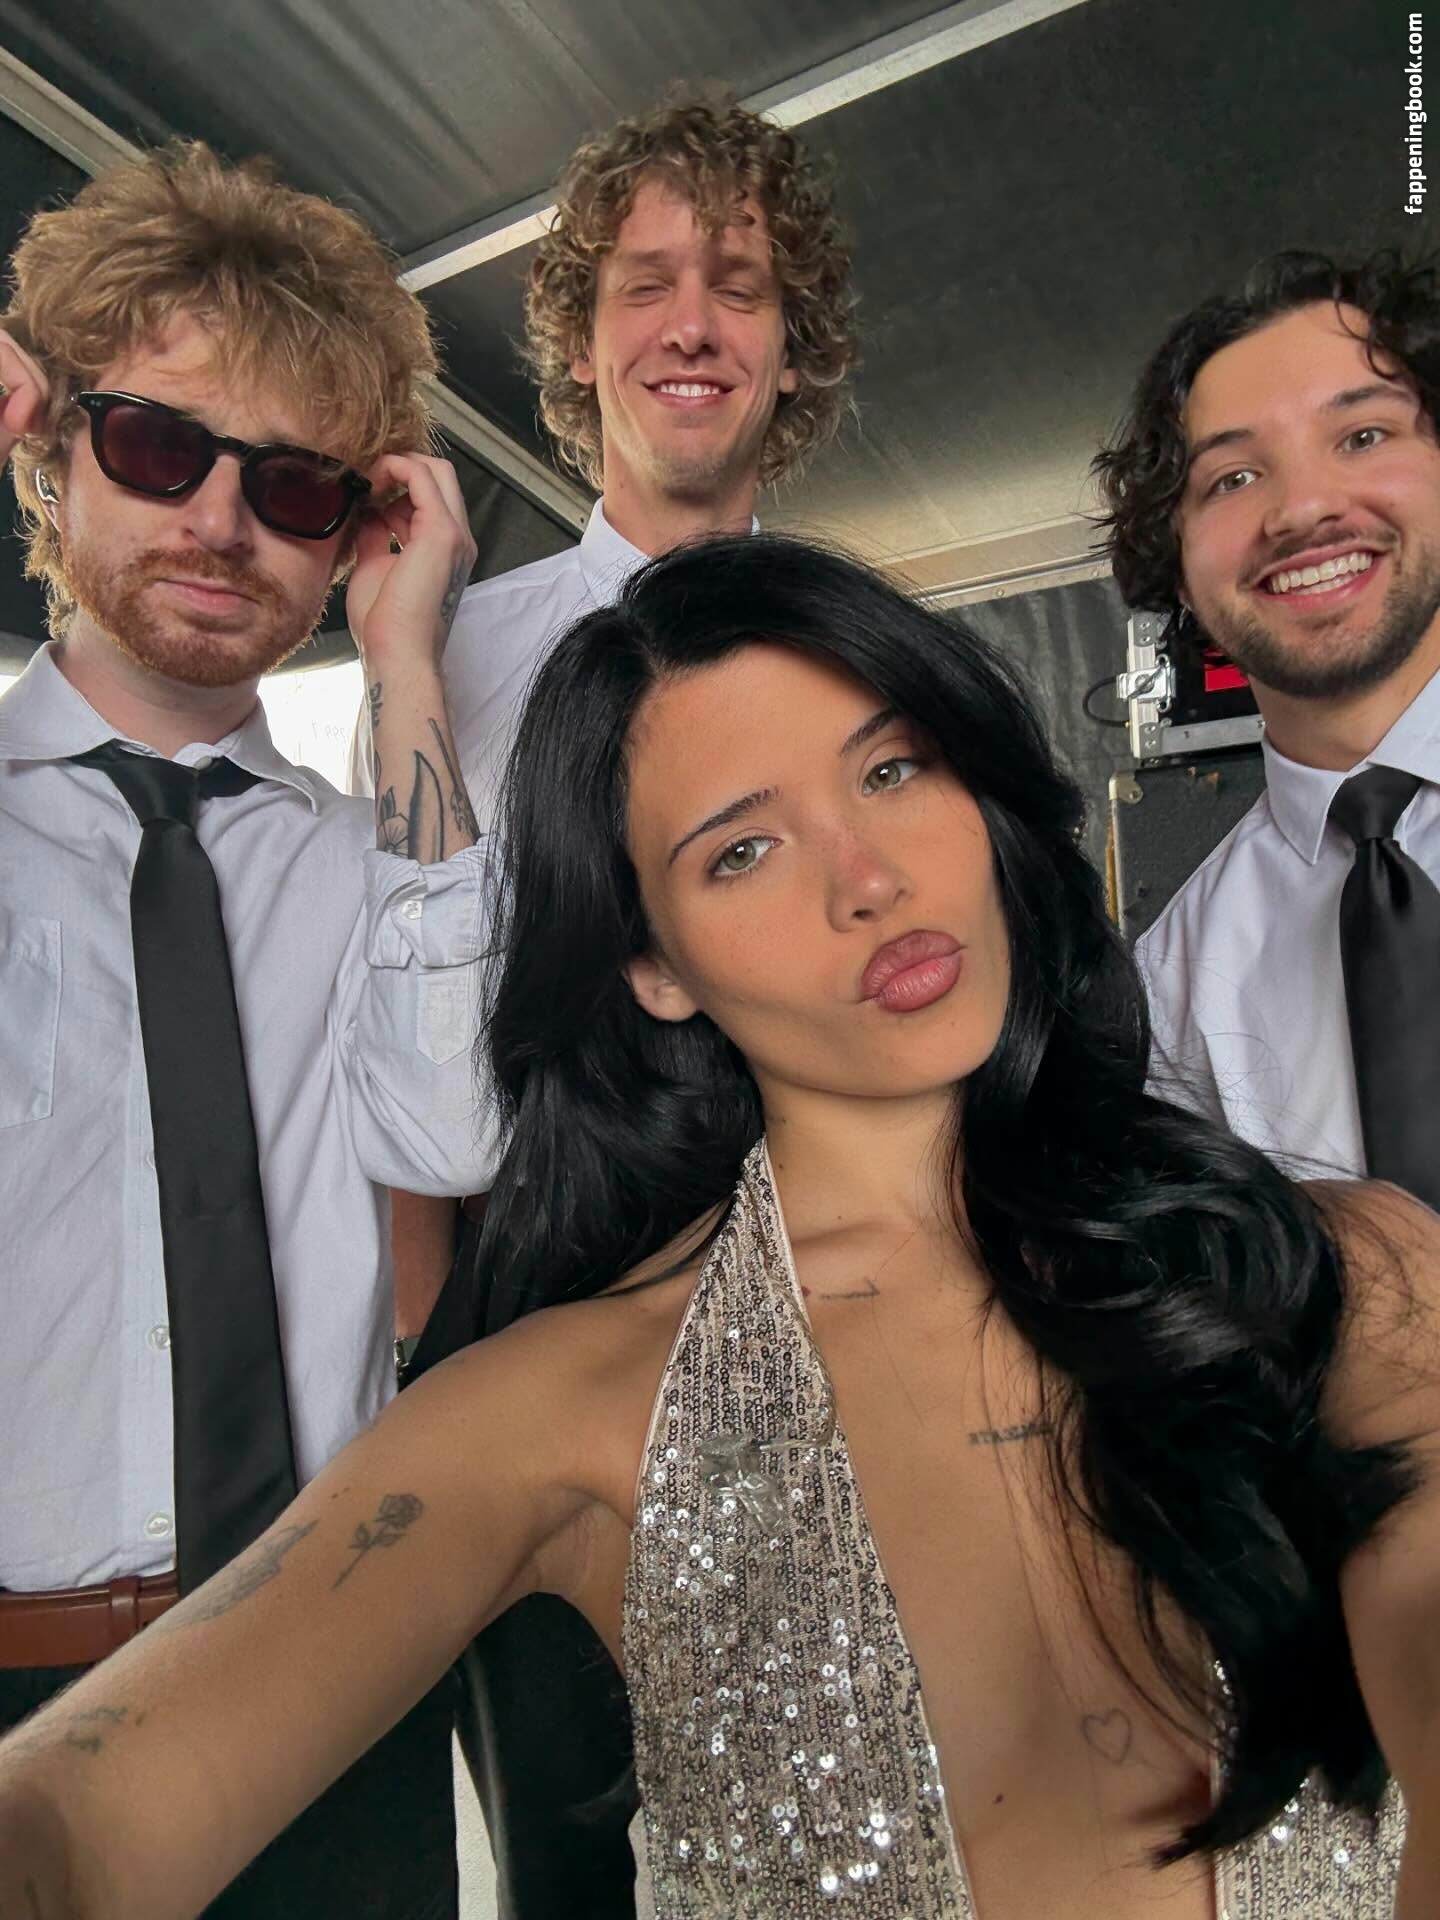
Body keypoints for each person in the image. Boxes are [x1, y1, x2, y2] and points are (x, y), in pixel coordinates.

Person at [3, 533, 1437, 1920]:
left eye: (893, 769)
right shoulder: (557, 1408)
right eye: (742, 850)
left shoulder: (1342, 1267)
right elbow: (84, 1818)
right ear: (654, 964)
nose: (866, 878)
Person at [359, 93, 858, 1916]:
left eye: (740, 282)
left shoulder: (861, 643)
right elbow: (394, 1019)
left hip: (833, 1334)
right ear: (579, 340)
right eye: (646, 282)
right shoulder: (456, 647)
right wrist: (439, 1345)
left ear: (791, 342)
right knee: (570, 1856)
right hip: (531, 1336)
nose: (693, 322)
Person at [0, 142, 490, 1918]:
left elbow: (446, 1139)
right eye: (157, 447)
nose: (219, 522)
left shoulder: (381, 866)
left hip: (330, 1683)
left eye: (291, 486)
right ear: (50, 450)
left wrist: (409, 659)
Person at [1094, 251, 1440, 1210]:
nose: (1303, 509)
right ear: (1176, 561)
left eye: (1362, 434)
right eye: (1234, 476)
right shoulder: (1173, 996)